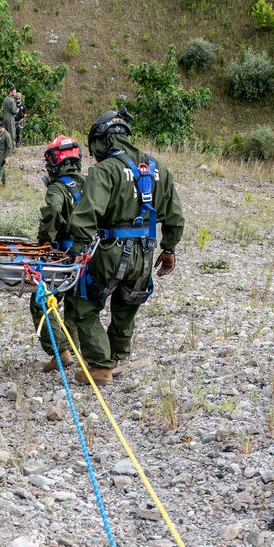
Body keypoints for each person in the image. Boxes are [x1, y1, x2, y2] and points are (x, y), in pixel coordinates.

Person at [62, 105, 184, 386]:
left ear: (103, 139)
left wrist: (75, 252)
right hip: (145, 252)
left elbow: (87, 214)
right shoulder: (158, 170)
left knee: (84, 304)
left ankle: (100, 366)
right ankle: (117, 355)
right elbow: (175, 216)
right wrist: (169, 249)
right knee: (128, 304)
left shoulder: (105, 171)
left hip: (110, 252)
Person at [31, 135, 87, 372]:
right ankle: (73, 349)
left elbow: (53, 211)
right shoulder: (91, 184)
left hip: (64, 254)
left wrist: (44, 238)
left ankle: (60, 351)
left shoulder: (57, 188)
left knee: (42, 301)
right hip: (91, 252)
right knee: (75, 302)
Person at [0, 120, 13, 186]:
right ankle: (4, 182)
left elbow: (10, 147)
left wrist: (7, 158)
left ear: (0, 127)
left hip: (2, 155)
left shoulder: (7, 135)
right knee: (2, 169)